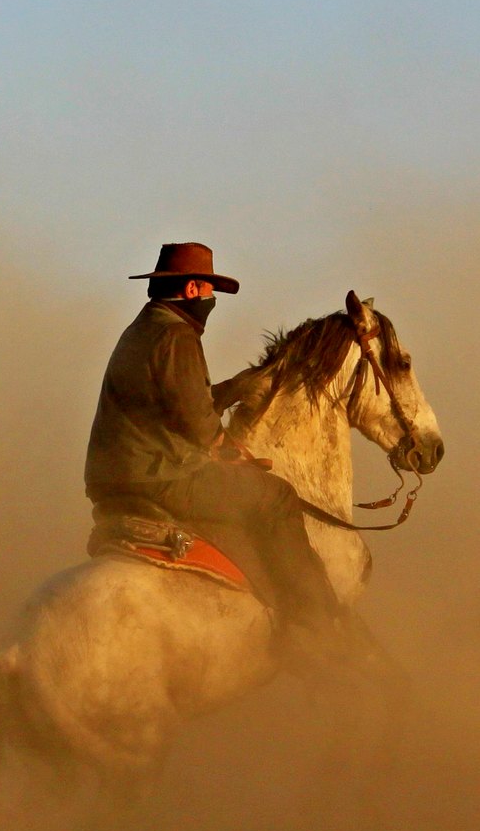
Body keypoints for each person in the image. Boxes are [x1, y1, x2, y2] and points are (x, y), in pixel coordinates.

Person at [84, 242, 345, 656]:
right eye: (208, 291)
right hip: (161, 476)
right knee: (276, 497)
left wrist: (232, 389)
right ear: (191, 290)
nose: (210, 301)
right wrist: (226, 447)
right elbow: (195, 421)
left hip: (114, 477)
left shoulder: (143, 329)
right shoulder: (177, 334)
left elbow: (175, 398)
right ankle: (312, 622)